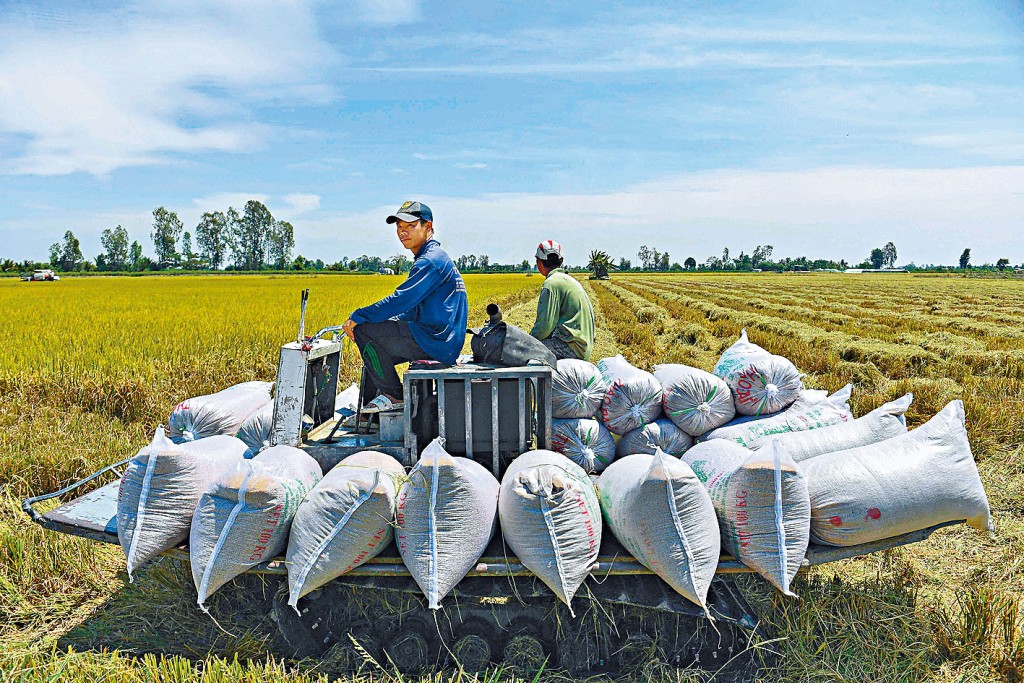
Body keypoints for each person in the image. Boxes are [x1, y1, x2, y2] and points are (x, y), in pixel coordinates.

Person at [342, 201, 468, 413]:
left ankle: (395, 396)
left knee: (364, 331)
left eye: (410, 225)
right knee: (372, 353)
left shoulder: (430, 261)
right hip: (439, 341)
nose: (403, 232)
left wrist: (359, 316)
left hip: (436, 342)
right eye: (399, 227)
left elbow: (400, 300)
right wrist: (385, 320)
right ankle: (369, 415)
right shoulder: (433, 257)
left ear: (428, 227)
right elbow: (410, 309)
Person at [529, 240, 595, 361]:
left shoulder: (551, 284)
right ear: (561, 261)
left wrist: (527, 341)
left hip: (571, 347)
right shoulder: (568, 280)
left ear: (539, 262)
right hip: (583, 347)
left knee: (525, 350)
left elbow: (544, 328)